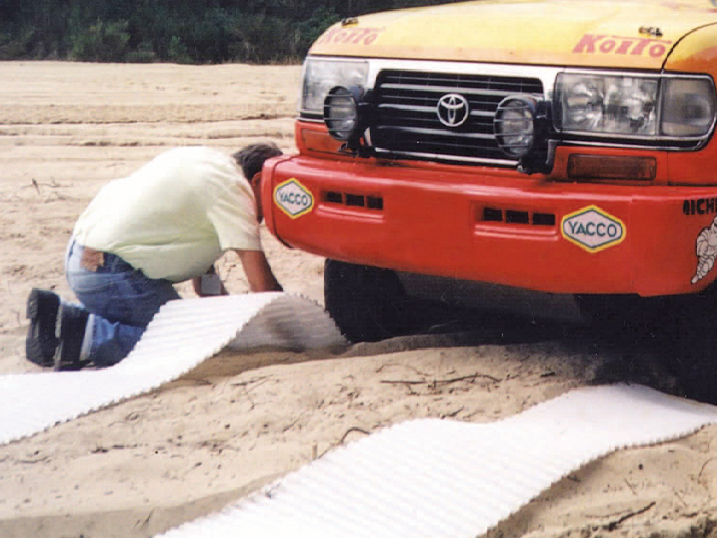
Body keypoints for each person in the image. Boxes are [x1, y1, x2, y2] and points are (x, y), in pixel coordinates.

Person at [25, 143, 283, 371]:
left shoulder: (208, 164)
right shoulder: (235, 192)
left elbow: (204, 276)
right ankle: (81, 337)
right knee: (186, 343)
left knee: (189, 329)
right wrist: (290, 326)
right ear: (259, 181)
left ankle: (58, 316)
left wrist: (224, 318)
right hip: (111, 270)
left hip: (82, 257)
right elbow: (263, 289)